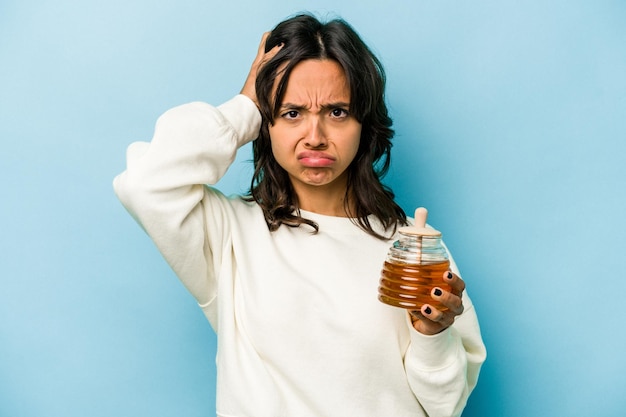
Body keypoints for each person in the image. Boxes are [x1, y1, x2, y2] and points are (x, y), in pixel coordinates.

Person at [114, 13, 486, 417]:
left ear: (364, 123)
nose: (315, 136)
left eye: (337, 112)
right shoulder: (229, 235)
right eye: (292, 113)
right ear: (266, 124)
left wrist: (432, 334)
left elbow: (445, 406)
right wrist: (246, 106)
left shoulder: (414, 244)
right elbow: (145, 182)